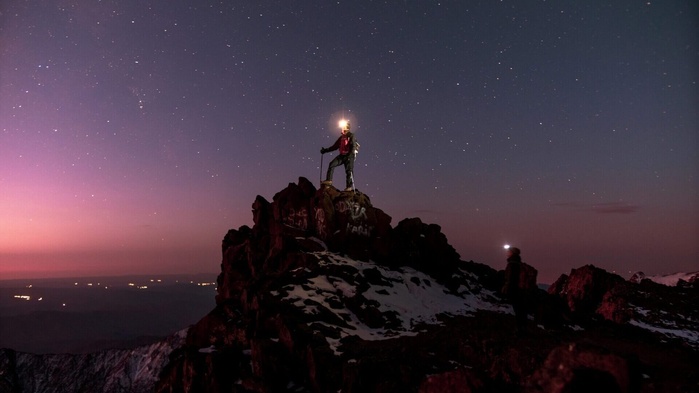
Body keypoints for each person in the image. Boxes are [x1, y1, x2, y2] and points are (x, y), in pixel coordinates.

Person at [320, 120, 358, 191]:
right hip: (342, 155)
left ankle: (349, 187)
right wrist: (325, 150)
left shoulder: (351, 135)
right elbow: (334, 146)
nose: (341, 128)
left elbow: (353, 146)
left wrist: (350, 155)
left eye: (343, 127)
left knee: (349, 171)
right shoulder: (341, 138)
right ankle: (329, 181)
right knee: (331, 164)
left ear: (346, 128)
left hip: (349, 156)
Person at [502, 246, 530, 334]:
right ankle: (523, 328)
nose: (507, 252)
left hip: (515, 290)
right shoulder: (518, 263)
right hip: (521, 290)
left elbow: (511, 278)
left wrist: (507, 289)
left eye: (508, 251)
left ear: (512, 253)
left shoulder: (512, 264)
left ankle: (520, 330)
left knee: (518, 309)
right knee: (521, 309)